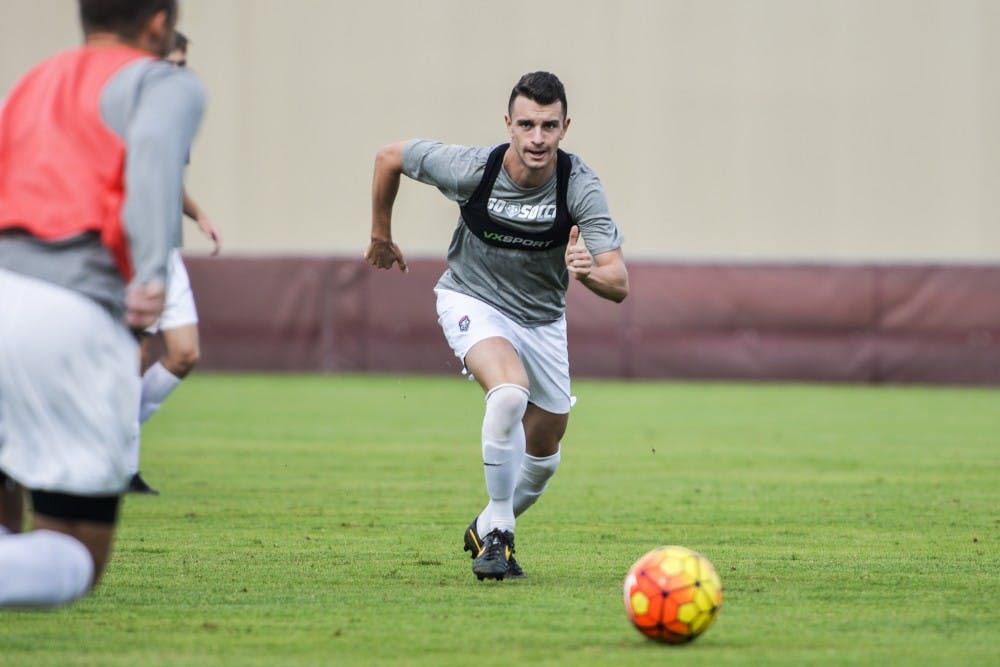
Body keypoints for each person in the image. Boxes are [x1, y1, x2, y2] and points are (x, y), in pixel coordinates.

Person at [366, 72, 629, 581]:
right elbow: (388, 158)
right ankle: (501, 539)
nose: (537, 137)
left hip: (543, 319)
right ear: (507, 123)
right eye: (526, 124)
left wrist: (587, 271)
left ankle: (488, 524)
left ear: (564, 127)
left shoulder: (579, 184)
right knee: (508, 393)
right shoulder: (471, 168)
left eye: (548, 126)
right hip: (472, 298)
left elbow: (618, 281)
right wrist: (381, 234)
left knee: (545, 453)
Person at [0, 0, 204, 607]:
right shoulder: (162, 81)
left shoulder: (34, 79)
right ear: (158, 25)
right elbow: (152, 166)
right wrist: (149, 275)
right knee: (76, 555)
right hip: (68, 306)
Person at [127, 29, 221, 495]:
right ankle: (118, 460)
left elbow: (167, 181)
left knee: (184, 353)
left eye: (184, 65)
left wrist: (199, 215)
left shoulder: (175, 119)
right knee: (135, 352)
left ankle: (117, 437)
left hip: (168, 246)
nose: (180, 73)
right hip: (134, 248)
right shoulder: (128, 114)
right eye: (173, 64)